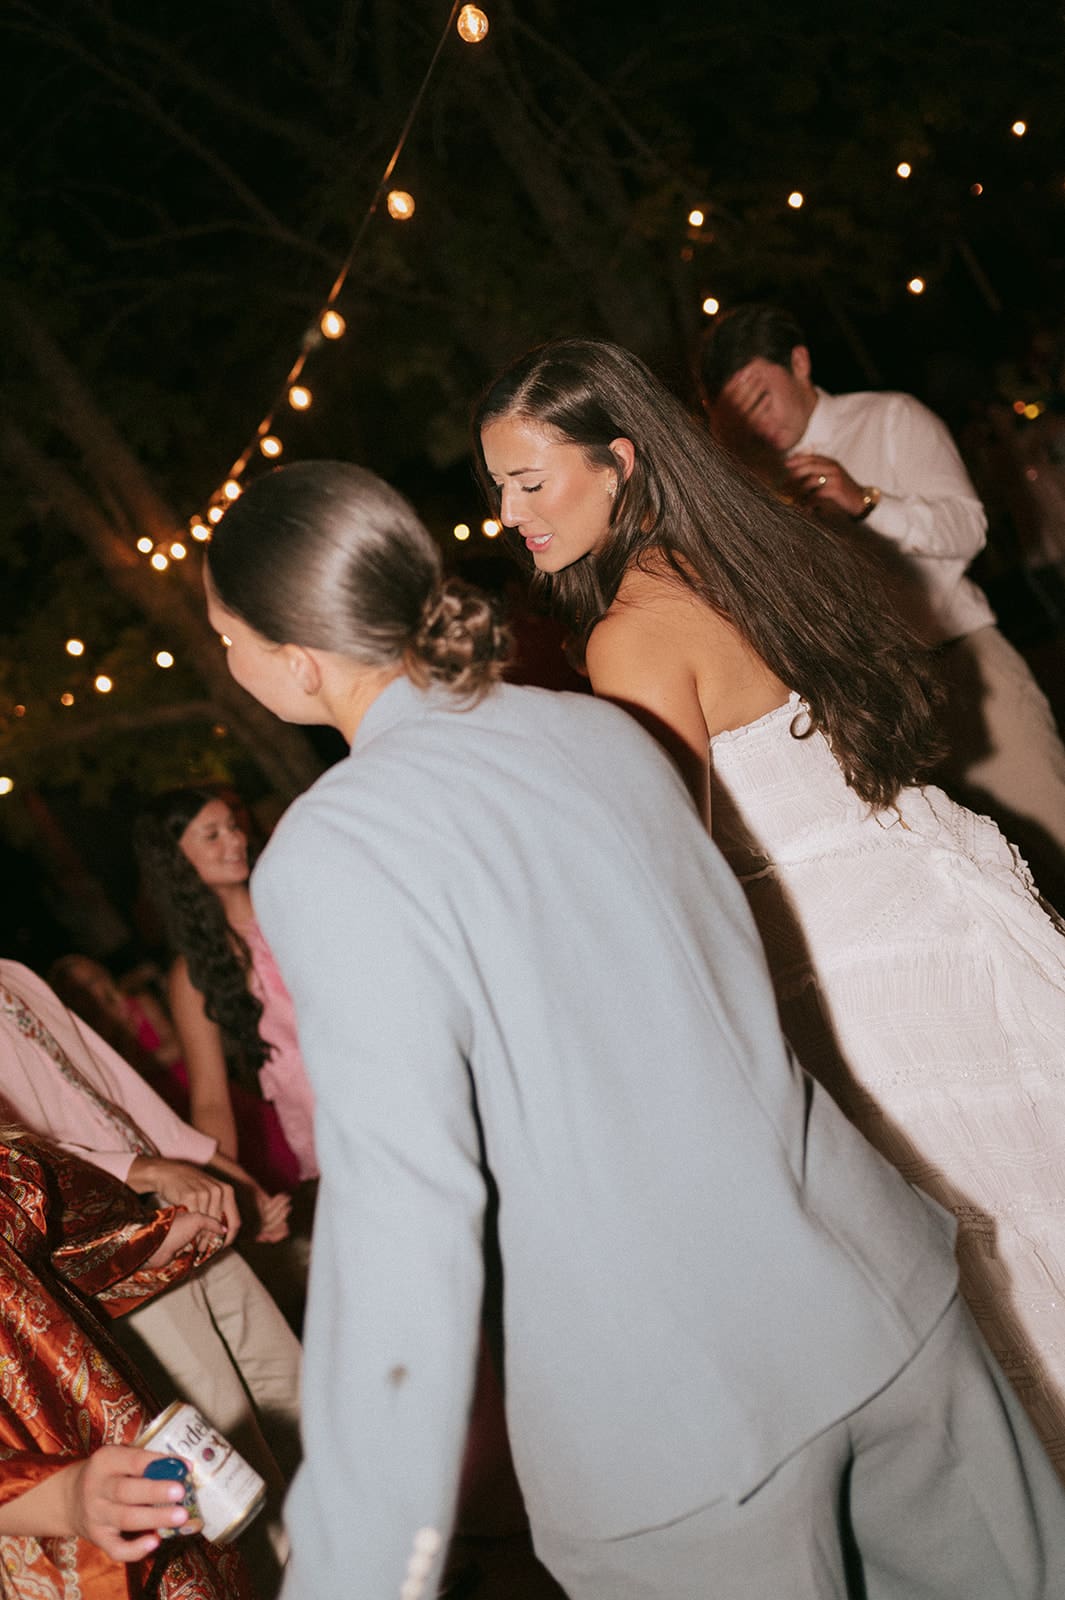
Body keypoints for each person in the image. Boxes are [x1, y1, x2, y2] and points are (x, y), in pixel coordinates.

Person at [201, 457, 1065, 1600]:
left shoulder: (331, 848)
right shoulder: (596, 732)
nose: (228, 661)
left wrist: (359, 1565)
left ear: (293, 656)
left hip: (678, 1415)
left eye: (224, 638)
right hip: (879, 1303)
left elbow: (407, 1207)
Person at [475, 336, 1065, 1479]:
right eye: (498, 486)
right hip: (936, 889)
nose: (508, 513)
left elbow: (670, 879)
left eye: (531, 481)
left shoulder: (633, 631)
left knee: (996, 1259)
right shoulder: (756, 552)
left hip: (865, 973)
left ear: (622, 461)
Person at [698, 301, 1065, 908]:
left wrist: (865, 502)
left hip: (962, 669)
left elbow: (968, 530)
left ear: (800, 362)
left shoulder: (889, 417)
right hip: (869, 710)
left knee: (1048, 840)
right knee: (977, 891)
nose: (758, 424)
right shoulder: (749, 481)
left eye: (761, 397)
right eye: (739, 414)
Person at [0, 958, 301, 1595]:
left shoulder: (14, 974)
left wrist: (221, 1172)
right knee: (237, 1486)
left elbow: (117, 1095)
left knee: (299, 1406)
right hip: (106, 1268)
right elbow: (29, 1168)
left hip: (169, 1223)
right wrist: (143, 1174)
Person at [0, 1125, 255, 1599]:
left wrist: (136, 1247)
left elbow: (24, 1272)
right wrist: (66, 1499)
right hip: (33, 1522)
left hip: (98, 1430)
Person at [134, 788, 317, 1194]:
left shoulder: (299, 902)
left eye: (233, 827)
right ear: (176, 859)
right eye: (212, 834)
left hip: (392, 1071)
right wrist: (232, 1190)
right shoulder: (193, 973)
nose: (235, 840)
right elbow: (211, 1102)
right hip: (324, 1113)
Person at [48, 952, 191, 1117]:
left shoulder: (138, 1004)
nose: (88, 993)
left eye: (91, 982)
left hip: (184, 1087)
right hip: (150, 1110)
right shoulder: (83, 1036)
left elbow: (179, 1047)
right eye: (78, 991)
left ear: (103, 977)